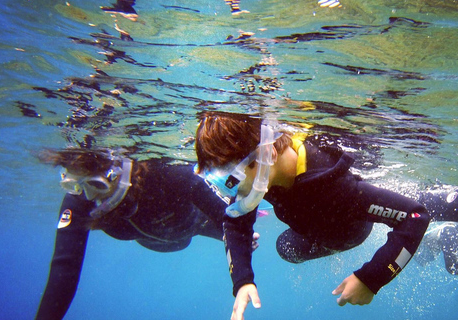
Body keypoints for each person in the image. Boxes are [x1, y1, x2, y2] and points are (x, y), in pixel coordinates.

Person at [194, 111, 458, 320]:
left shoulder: (334, 186)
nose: (231, 192)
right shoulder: (260, 177)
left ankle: (448, 201)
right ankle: (434, 240)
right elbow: (235, 224)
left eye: (229, 179)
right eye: (216, 182)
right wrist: (242, 281)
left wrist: (371, 278)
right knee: (285, 248)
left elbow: (415, 216)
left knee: (417, 204)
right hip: (317, 229)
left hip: (352, 227)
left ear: (268, 154)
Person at [34, 148, 254, 320]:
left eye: (95, 185)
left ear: (116, 171)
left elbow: (229, 219)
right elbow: (65, 267)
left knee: (242, 231)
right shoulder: (80, 200)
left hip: (196, 224)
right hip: (153, 241)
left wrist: (236, 243)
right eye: (76, 186)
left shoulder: (166, 173)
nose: (91, 198)